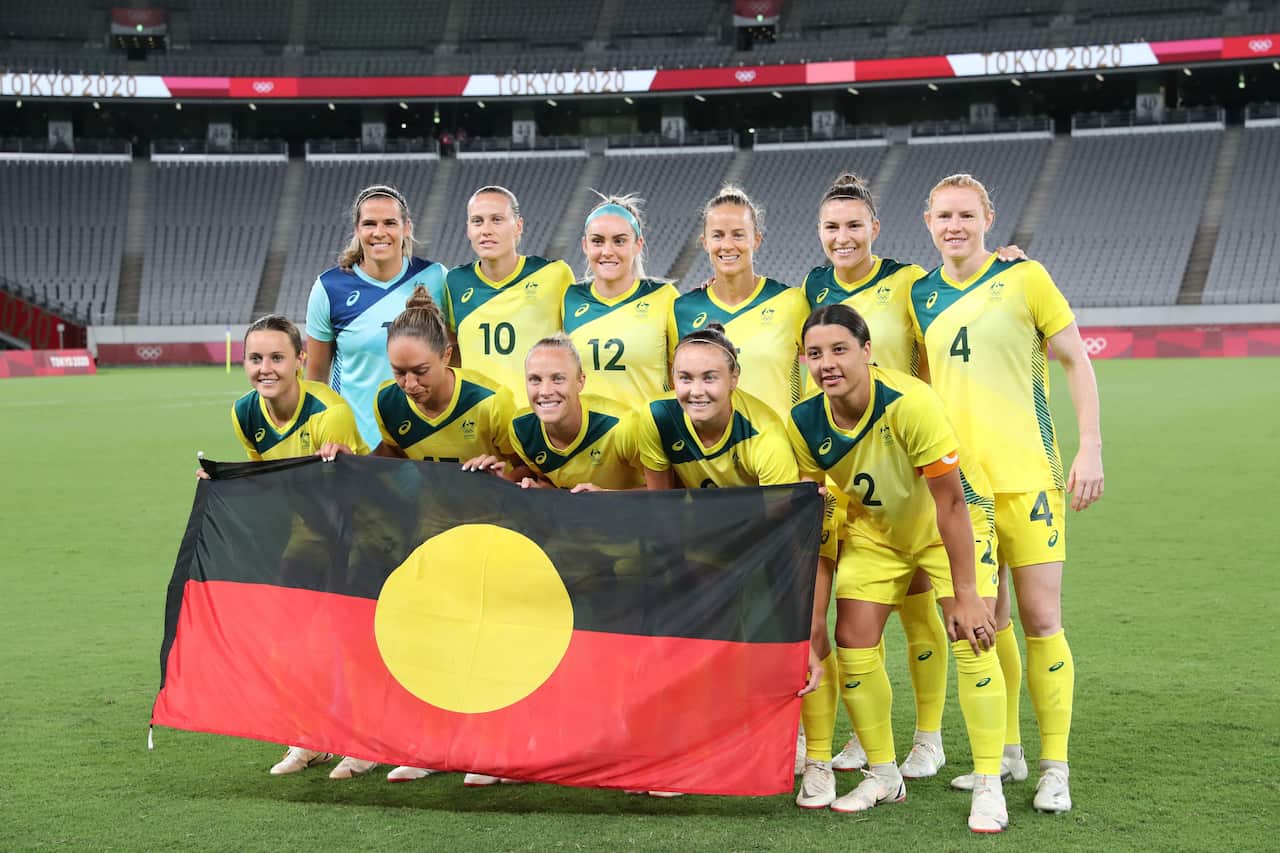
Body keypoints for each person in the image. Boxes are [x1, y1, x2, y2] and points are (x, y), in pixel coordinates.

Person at [801, 173, 1030, 781]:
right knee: (862, 612)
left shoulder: (907, 282)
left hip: (914, 450)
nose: (843, 237)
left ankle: (928, 737)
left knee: (922, 608)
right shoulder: (814, 286)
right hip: (854, 467)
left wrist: (1003, 258)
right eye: (832, 227)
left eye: (854, 225)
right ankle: (864, 738)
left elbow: (961, 281)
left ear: (876, 229)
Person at [910, 174, 1103, 813]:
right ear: (929, 222)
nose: (954, 225)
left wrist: (1090, 448)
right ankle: (1007, 757)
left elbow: (1076, 358)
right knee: (983, 626)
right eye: (944, 215)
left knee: (1043, 619)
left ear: (988, 218)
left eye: (966, 214)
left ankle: (1056, 767)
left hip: (1030, 479)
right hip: (960, 491)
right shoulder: (920, 296)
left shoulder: (1026, 278)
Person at [787, 304, 1008, 833]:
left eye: (840, 349)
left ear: (866, 351)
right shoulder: (803, 421)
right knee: (853, 638)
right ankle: (885, 773)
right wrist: (813, 614)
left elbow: (951, 503)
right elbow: (812, 515)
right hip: (876, 530)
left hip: (948, 522)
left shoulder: (909, 402)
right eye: (815, 354)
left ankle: (987, 782)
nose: (827, 364)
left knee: (971, 633)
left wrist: (967, 592)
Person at [635, 323, 823, 797]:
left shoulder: (765, 437)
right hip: (699, 539)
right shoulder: (656, 421)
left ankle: (788, 737)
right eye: (685, 378)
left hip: (770, 542)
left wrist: (801, 625)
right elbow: (661, 511)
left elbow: (786, 538)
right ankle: (687, 747)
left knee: (765, 641)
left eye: (709, 378)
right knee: (686, 641)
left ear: (734, 378)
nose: (696, 391)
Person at [220, 314, 370, 778]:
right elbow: (268, 480)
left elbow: (352, 496)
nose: (266, 368)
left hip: (359, 536)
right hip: (306, 535)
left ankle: (362, 742)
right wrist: (224, 482)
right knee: (288, 643)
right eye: (255, 358)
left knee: (349, 644)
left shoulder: (330, 413)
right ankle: (307, 739)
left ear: (302, 361)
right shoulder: (244, 414)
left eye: (277, 358)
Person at [305, 184, 448, 451]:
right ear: (358, 230)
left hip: (425, 447)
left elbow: (455, 363)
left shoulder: (436, 278)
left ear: (406, 228)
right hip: (354, 449)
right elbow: (315, 382)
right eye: (370, 224)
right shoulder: (329, 288)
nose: (379, 232)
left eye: (390, 223)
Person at [667, 186, 809, 418]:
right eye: (718, 235)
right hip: (709, 452)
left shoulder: (791, 302)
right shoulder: (682, 311)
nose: (727, 245)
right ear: (705, 242)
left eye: (738, 234)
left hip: (779, 449)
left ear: (757, 240)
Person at [439, 185, 575, 400]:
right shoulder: (455, 282)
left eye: (497, 219)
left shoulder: (555, 275)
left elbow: (576, 348)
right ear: (468, 229)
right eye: (477, 221)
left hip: (537, 421)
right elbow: (454, 347)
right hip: (480, 424)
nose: (486, 230)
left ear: (518, 226)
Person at [563, 194, 679, 411]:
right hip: (588, 441)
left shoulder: (664, 297)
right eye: (597, 241)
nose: (607, 251)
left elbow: (684, 377)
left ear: (638, 245)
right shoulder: (568, 298)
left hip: (646, 440)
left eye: (619, 241)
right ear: (585, 245)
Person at [509, 333, 644, 491]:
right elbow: (550, 485)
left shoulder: (621, 426)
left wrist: (608, 498)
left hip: (632, 514)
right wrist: (539, 491)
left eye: (558, 378)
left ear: (580, 381)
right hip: (571, 514)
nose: (545, 391)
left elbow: (666, 493)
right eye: (535, 379)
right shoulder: (521, 429)